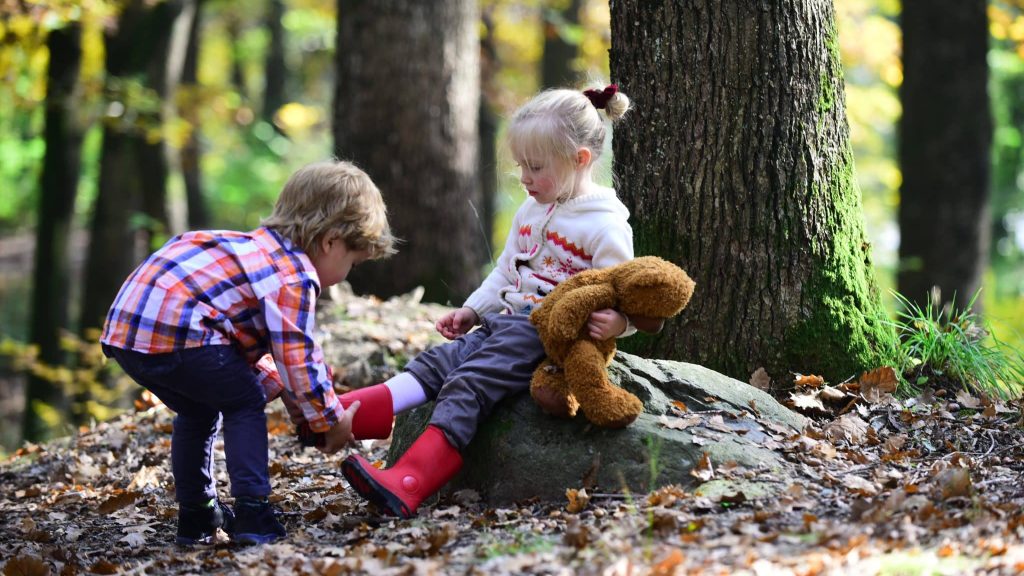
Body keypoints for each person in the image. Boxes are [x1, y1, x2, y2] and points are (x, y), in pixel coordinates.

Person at [335, 84, 645, 518]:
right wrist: (472, 309)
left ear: (580, 160)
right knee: (438, 363)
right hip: (504, 320)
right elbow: (504, 271)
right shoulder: (532, 209)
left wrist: (619, 323)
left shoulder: (605, 224)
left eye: (536, 167)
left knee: (469, 383)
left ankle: (409, 481)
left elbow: (624, 289)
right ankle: (356, 412)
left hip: (544, 332)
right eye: (521, 166)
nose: (524, 178)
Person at [100, 160, 396, 545]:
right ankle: (254, 515)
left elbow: (247, 353)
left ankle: (198, 514)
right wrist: (327, 419)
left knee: (198, 408)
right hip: (178, 331)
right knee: (244, 402)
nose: (347, 273)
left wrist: (297, 403)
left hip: (130, 332)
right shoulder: (294, 274)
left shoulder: (249, 250)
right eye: (352, 262)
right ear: (331, 242)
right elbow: (297, 356)